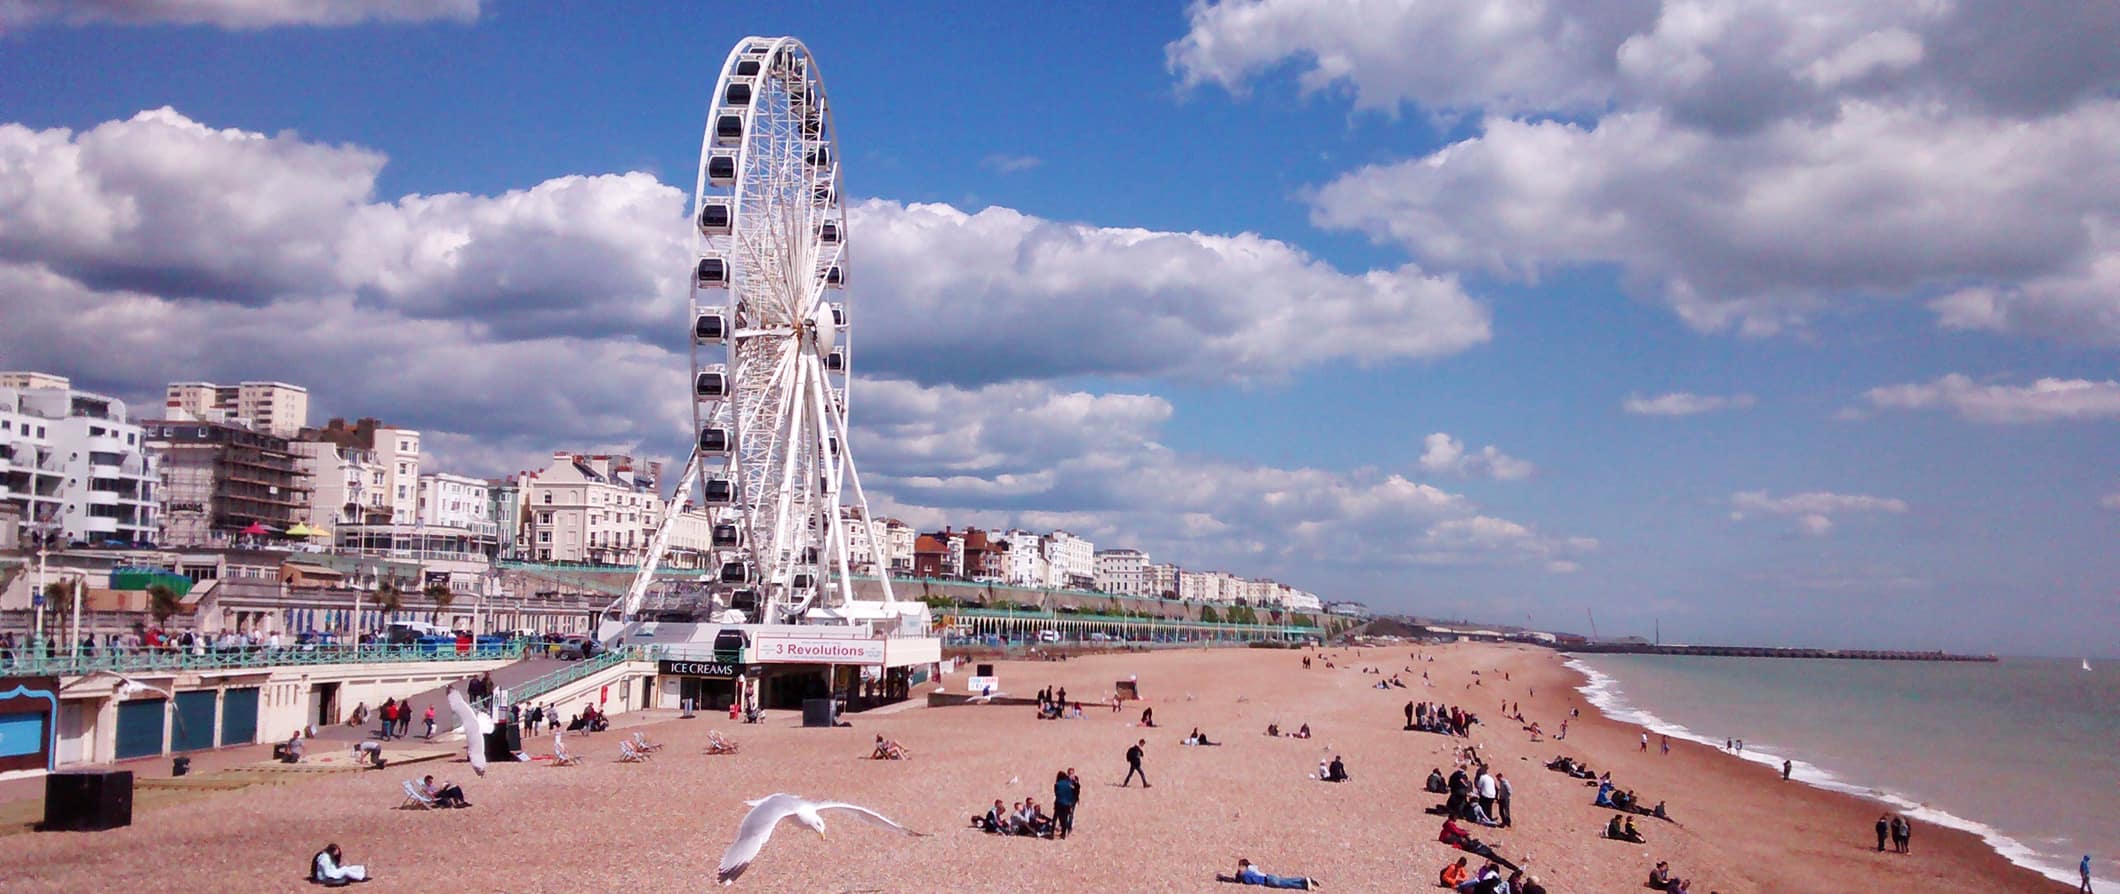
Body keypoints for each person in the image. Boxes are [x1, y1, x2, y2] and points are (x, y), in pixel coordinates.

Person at [1228, 857, 1318, 890]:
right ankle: (1303, 880)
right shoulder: (1252, 870)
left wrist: (1238, 873)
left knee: (1287, 884)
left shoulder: (1246, 874)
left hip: (1268, 881)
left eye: (1240, 866)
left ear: (1244, 866)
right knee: (1286, 881)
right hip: (1269, 877)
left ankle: (1304, 886)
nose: (1239, 868)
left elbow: (1239, 879)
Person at [1053, 768, 1079, 839]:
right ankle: (1064, 828)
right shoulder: (1065, 779)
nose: (1071, 775)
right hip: (1066, 800)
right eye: (1069, 773)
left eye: (1072, 773)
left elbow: (1077, 789)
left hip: (1072, 800)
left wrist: (1075, 783)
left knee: (1071, 815)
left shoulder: (1076, 779)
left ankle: (1069, 828)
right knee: (1063, 815)